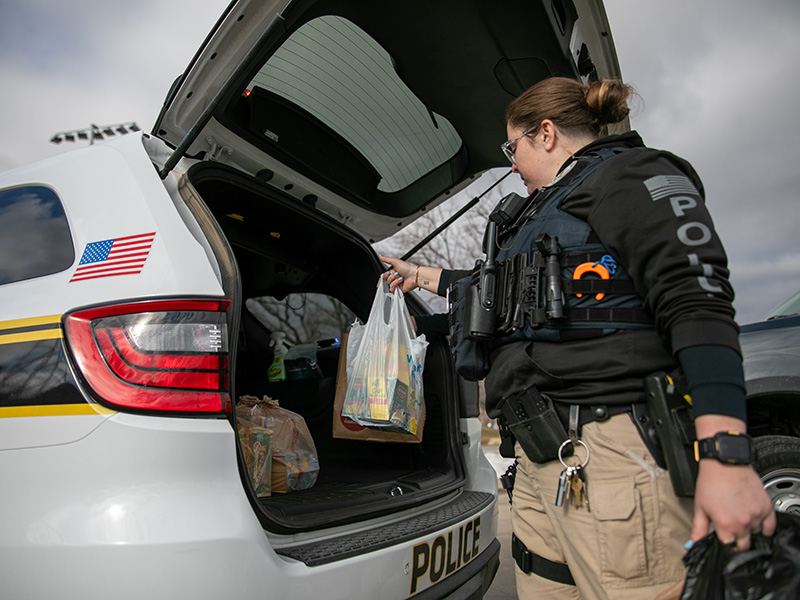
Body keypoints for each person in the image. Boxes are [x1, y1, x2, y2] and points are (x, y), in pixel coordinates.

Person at [379, 76, 775, 600]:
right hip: (542, 462)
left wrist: (727, 455)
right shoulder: (540, 213)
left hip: (612, 455)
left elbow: (696, 301)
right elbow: (500, 297)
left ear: (545, 134)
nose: (511, 163)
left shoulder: (630, 176)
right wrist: (421, 276)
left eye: (511, 147)